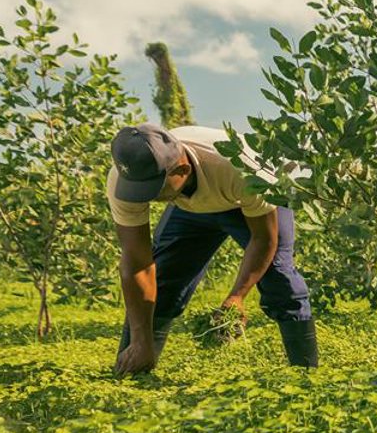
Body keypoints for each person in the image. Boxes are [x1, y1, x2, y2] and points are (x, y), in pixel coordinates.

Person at [108, 122, 317, 374]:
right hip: (190, 208)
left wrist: (237, 296)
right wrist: (141, 340)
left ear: (182, 169)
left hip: (246, 199)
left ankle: (306, 376)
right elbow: (137, 262)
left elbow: (264, 240)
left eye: (153, 189)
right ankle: (133, 370)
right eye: (139, 190)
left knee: (280, 279)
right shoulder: (126, 178)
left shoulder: (242, 168)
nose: (146, 197)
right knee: (163, 280)